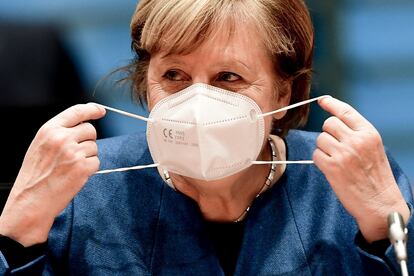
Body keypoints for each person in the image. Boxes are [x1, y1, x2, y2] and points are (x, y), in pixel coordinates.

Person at [0, 0, 412, 275]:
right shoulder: (82, 186)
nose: (198, 101)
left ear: (283, 94)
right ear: (146, 82)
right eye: (174, 76)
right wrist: (16, 230)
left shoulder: (348, 183)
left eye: (228, 78)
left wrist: (385, 226)